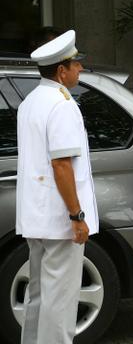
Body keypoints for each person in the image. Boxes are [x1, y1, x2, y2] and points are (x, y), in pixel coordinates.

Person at [16, 30, 99, 344]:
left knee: (39, 295)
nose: (80, 69)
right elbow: (61, 165)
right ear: (62, 70)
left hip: (38, 216)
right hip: (60, 217)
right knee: (60, 302)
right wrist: (77, 216)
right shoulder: (62, 104)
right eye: (75, 64)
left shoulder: (32, 100)